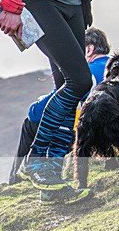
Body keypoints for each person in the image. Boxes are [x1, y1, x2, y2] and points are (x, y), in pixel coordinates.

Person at [0, 0, 119, 202]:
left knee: (66, 85)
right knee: (80, 81)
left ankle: (50, 185)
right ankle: (36, 161)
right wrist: (11, 3)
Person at [8, 27, 112, 185]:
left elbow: (36, 113)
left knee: (31, 123)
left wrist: (48, 100)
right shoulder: (112, 68)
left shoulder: (85, 72)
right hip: (110, 131)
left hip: (90, 135)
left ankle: (16, 180)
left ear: (89, 49)